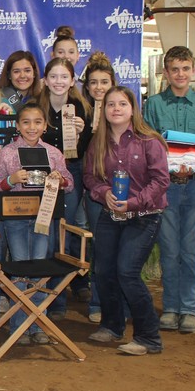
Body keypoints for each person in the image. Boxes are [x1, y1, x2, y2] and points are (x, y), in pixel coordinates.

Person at [143, 45, 195, 335]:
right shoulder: (153, 104)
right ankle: (171, 306)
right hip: (166, 189)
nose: (180, 74)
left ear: (193, 71)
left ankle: (189, 309)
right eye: (174, 69)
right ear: (166, 72)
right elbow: (148, 147)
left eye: (185, 68)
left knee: (190, 251)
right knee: (169, 249)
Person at [84, 87, 169, 356]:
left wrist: (134, 202)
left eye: (122, 103)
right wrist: (103, 193)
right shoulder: (98, 142)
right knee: (104, 271)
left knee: (127, 272)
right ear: (104, 110)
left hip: (144, 216)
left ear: (133, 108)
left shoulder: (149, 141)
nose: (116, 109)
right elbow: (89, 177)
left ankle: (149, 337)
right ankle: (112, 326)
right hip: (111, 214)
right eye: (111, 104)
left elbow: (161, 181)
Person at [0, 104, 73, 345]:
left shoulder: (54, 153)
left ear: (44, 126)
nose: (32, 127)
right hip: (15, 219)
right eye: (26, 122)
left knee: (39, 269)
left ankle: (37, 325)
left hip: (44, 218)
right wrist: (11, 179)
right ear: (17, 126)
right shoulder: (7, 152)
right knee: (19, 269)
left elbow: (70, 184)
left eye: (37, 122)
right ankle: (19, 326)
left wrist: (59, 180)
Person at [36, 57, 92, 321]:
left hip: (74, 174)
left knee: (67, 232)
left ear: (72, 80)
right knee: (46, 235)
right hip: (43, 177)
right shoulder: (37, 107)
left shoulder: (82, 107)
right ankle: (47, 299)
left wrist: (84, 132)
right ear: (46, 80)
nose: (59, 82)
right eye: (54, 76)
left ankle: (63, 297)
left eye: (64, 77)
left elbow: (89, 149)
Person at [81, 52, 118, 322]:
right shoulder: (80, 110)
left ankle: (120, 303)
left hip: (122, 189)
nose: (99, 87)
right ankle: (96, 302)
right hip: (93, 188)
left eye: (104, 82)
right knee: (99, 246)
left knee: (121, 248)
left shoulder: (121, 110)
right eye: (93, 82)